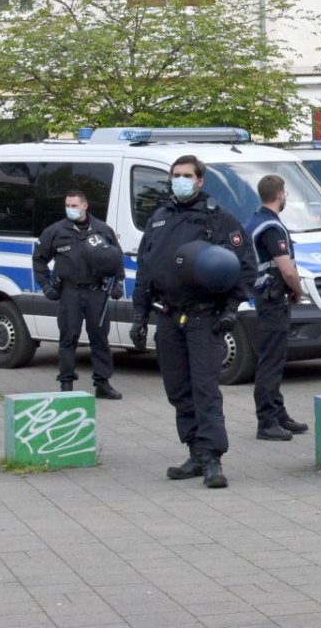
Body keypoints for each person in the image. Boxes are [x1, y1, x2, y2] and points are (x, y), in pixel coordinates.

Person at [131, 155, 255, 489]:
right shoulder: (159, 219)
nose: (179, 181)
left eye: (186, 175)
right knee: (178, 390)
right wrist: (139, 315)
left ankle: (213, 457)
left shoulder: (218, 219)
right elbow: (145, 269)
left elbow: (245, 265)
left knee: (205, 390)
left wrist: (231, 308)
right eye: (175, 176)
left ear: (200, 181)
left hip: (204, 318)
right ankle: (195, 451)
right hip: (168, 316)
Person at [32, 189, 125, 399]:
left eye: (74, 205)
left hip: (96, 292)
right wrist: (45, 285)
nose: (70, 209)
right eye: (68, 205)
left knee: (100, 339)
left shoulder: (102, 230)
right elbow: (39, 259)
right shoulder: (55, 231)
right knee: (68, 338)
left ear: (85, 206)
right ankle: (66, 383)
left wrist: (118, 283)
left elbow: (116, 260)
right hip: (70, 292)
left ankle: (102, 383)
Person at [245, 175, 307, 441]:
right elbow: (286, 269)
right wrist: (298, 290)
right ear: (281, 194)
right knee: (271, 361)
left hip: (265, 299)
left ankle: (278, 413)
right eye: (285, 193)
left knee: (274, 358)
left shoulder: (256, 220)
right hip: (272, 301)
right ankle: (267, 421)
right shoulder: (271, 227)